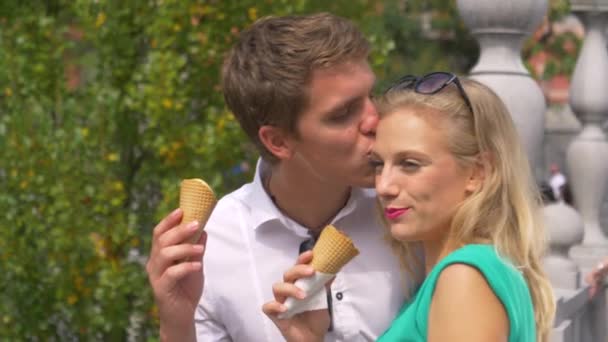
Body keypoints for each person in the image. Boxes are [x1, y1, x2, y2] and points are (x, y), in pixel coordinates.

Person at [146, 13, 412, 341]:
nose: (374, 120)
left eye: (372, 96)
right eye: (343, 113)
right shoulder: (210, 248)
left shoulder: (412, 210)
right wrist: (175, 323)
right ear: (279, 141)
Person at [263, 73, 556, 341]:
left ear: (477, 172)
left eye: (410, 164)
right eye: (379, 164)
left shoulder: (464, 278)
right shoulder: (466, 273)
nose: (384, 186)